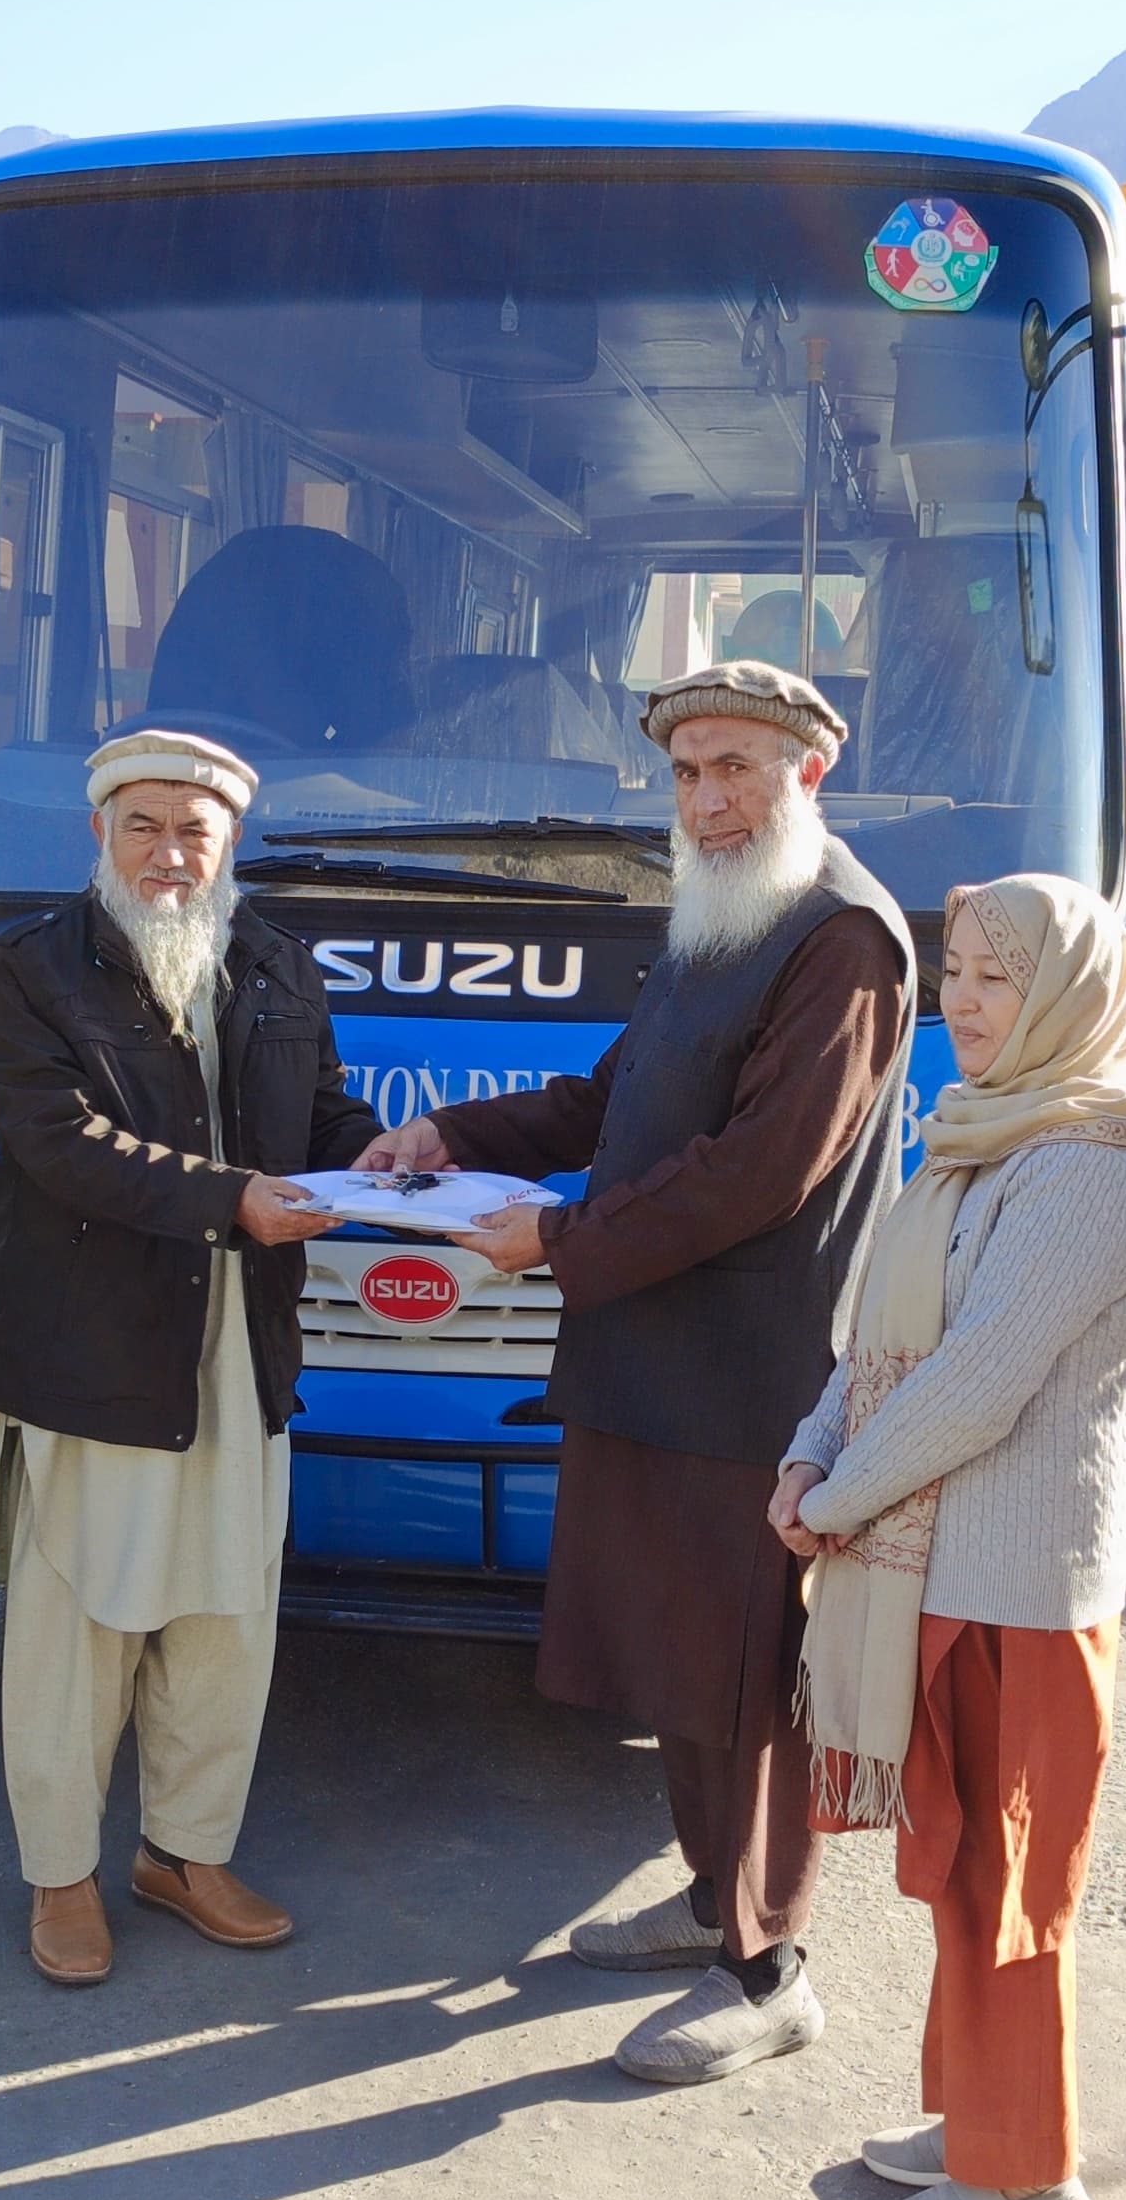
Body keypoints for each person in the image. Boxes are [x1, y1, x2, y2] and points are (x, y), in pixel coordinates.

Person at [365, 660, 913, 2084]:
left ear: (809, 773)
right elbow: (617, 1100)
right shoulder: (725, 919)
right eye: (686, 773)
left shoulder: (841, 937)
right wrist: (455, 1140)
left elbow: (753, 1176)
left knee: (745, 1677)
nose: (708, 800)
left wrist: (553, 1235)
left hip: (750, 1380)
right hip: (657, 1361)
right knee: (682, 1667)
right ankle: (704, 1904)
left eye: (736, 768)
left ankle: (771, 1967)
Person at [774, 876, 1126, 2200]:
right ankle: (973, 2120)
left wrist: (837, 1496)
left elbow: (976, 1384)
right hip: (937, 1565)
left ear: (1070, 994)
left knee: (1009, 1884)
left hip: (1018, 1592)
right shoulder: (979, 1144)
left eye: (1003, 978)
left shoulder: (1097, 1168)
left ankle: (1025, 2178)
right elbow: (872, 1348)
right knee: (956, 1867)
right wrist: (806, 1453)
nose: (966, 1001)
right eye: (960, 973)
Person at [0, 732, 377, 1981]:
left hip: (238, 1347)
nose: (169, 852)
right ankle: (60, 1878)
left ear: (229, 843)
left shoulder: (273, 963)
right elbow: (60, 1144)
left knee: (224, 1617)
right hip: (92, 1352)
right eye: (143, 824)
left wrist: (383, 1157)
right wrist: (235, 1200)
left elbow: (324, 1112)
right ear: (100, 832)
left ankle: (185, 1853)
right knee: (77, 1627)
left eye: (193, 830)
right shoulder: (35, 971)